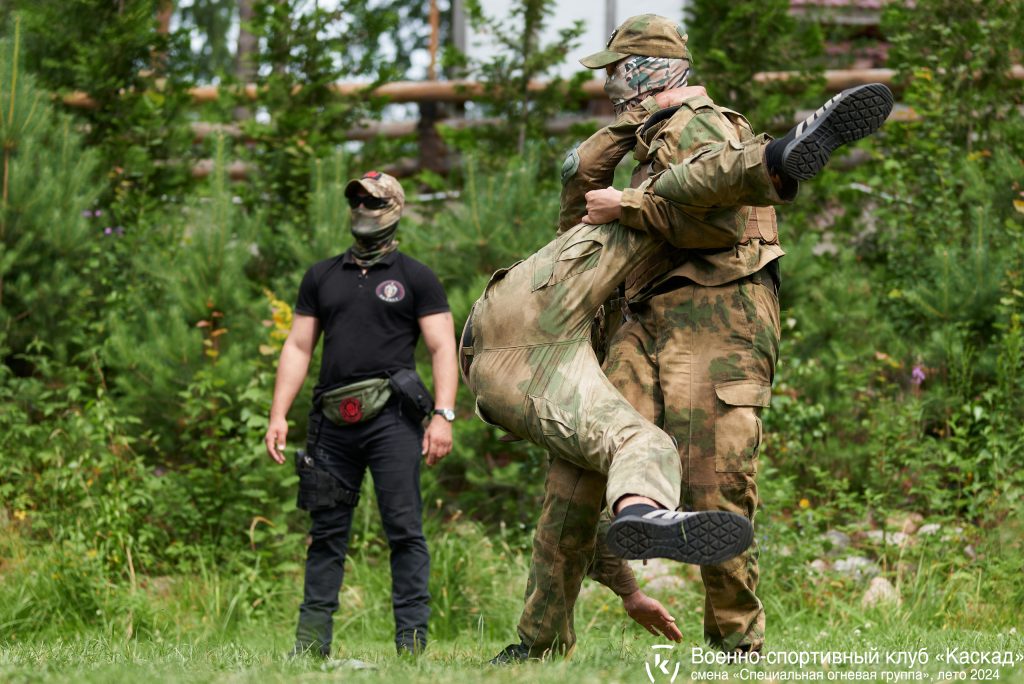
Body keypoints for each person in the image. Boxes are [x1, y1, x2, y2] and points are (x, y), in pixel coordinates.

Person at [471, 14, 894, 659]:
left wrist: (629, 203)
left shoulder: (699, 125)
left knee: (714, 482)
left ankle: (735, 648)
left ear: (644, 69)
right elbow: (578, 212)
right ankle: (538, 642)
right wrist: (615, 155)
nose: (609, 83)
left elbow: (719, 231)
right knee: (583, 472)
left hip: (718, 312)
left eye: (616, 69)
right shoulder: (645, 135)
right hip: (645, 317)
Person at [264, 170, 459, 658]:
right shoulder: (322, 276)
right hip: (331, 425)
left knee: (404, 530)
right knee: (326, 535)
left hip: (393, 422)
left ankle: (411, 649)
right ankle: (310, 650)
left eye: (372, 201)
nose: (362, 209)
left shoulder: (415, 277)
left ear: (394, 207)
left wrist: (443, 415)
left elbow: (442, 348)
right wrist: (278, 414)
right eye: (355, 200)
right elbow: (297, 346)